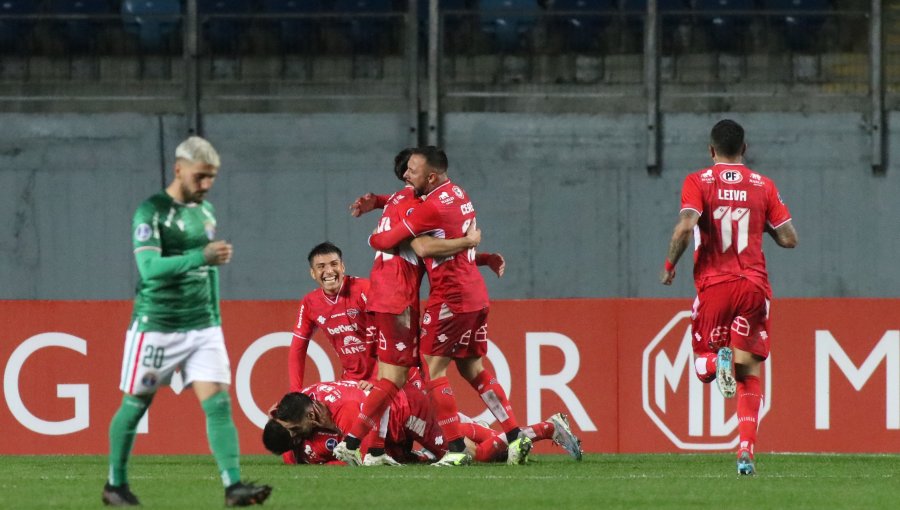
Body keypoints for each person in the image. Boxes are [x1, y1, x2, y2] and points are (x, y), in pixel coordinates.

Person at [103, 136, 272, 507]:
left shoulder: (205, 212)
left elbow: (209, 270)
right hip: (157, 325)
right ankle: (115, 484)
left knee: (218, 405)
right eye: (200, 177)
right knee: (135, 404)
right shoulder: (150, 212)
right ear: (179, 168)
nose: (207, 185)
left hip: (202, 327)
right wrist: (201, 256)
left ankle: (233, 486)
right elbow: (149, 270)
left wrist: (214, 316)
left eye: (212, 177)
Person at [337, 146, 528, 468]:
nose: (405, 179)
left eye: (411, 172)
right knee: (469, 368)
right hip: (471, 294)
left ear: (430, 177)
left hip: (434, 297)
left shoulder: (422, 207)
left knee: (421, 372)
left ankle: (449, 449)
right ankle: (515, 435)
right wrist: (476, 252)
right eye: (405, 172)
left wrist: (373, 236)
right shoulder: (457, 194)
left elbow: (412, 244)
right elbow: (420, 221)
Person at [659, 120, 797, 476]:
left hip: (715, 286)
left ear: (711, 150)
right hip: (753, 287)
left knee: (704, 366)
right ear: (745, 149)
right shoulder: (763, 186)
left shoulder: (698, 181)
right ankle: (746, 450)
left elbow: (686, 226)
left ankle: (716, 361)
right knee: (748, 372)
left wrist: (669, 263)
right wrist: (760, 219)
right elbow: (789, 239)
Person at [262, 380, 582, 465]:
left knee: (476, 455)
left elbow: (363, 458)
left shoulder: (346, 412)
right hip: (397, 412)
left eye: (295, 432)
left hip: (409, 412)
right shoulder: (304, 400)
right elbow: (290, 424)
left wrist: (407, 456)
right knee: (467, 436)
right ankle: (542, 429)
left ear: (312, 416)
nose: (298, 440)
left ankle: (547, 427)